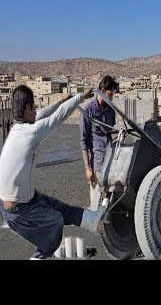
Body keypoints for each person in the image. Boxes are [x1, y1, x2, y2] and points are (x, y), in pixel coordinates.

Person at [0, 85, 109, 259]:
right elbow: (57, 118)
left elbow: (43, 113)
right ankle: (38, 257)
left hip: (19, 203)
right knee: (55, 222)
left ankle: (91, 219)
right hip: (19, 211)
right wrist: (80, 97)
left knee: (58, 208)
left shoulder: (18, 129)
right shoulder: (29, 132)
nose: (36, 110)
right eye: (33, 107)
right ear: (27, 108)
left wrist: (61, 101)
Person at [80, 75, 119, 201]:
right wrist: (87, 169)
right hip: (96, 163)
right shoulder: (88, 111)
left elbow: (111, 134)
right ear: (101, 91)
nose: (111, 98)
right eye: (109, 94)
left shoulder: (111, 111)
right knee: (96, 200)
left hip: (110, 162)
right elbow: (83, 142)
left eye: (113, 94)